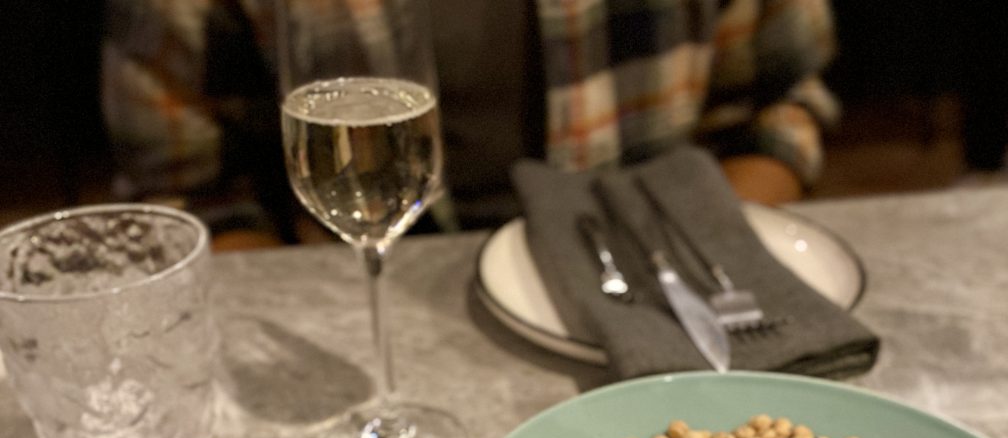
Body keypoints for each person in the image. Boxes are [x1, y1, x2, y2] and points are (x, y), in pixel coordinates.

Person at [102, 0, 840, 248]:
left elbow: (779, 109)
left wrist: (705, 272)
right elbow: (183, 192)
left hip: (647, 271)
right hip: (370, 300)